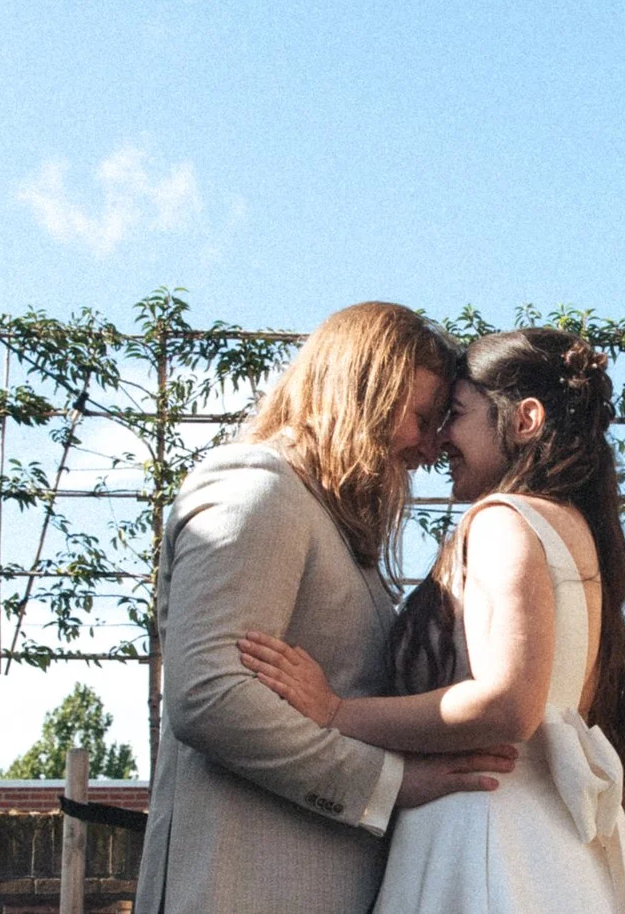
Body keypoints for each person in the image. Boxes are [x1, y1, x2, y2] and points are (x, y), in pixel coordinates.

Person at [242, 327, 625, 913]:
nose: (441, 439)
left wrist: (337, 712)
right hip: (556, 851)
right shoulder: (577, 530)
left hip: (482, 837)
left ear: (524, 419)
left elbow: (509, 705)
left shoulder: (503, 519)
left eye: (457, 416)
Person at [139, 301, 520, 914]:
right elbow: (209, 697)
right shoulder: (257, 486)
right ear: (360, 385)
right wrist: (392, 783)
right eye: (421, 418)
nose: (428, 448)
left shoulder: (333, 526)